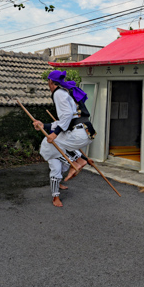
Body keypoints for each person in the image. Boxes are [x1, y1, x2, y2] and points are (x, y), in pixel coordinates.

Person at [33, 70, 91, 208]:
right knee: (57, 167)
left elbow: (65, 118)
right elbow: (64, 120)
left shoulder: (59, 93)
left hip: (75, 132)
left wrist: (54, 132)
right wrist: (45, 125)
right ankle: (75, 163)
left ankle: (76, 162)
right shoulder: (69, 95)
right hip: (85, 131)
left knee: (49, 144)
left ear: (51, 82)